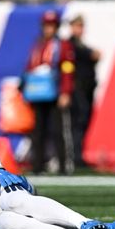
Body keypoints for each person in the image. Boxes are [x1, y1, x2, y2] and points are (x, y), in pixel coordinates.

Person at [23, 10, 75, 175]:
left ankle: (62, 165)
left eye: (52, 26)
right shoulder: (38, 45)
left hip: (54, 94)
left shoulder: (61, 45)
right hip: (38, 94)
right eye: (46, 25)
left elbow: (67, 69)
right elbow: (30, 67)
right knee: (38, 131)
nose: (49, 29)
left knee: (58, 130)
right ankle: (37, 165)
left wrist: (65, 92)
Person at [67, 15, 100, 168]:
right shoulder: (70, 45)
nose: (78, 29)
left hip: (86, 89)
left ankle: (78, 154)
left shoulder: (81, 45)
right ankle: (75, 156)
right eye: (76, 26)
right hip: (77, 89)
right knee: (78, 123)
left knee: (83, 122)